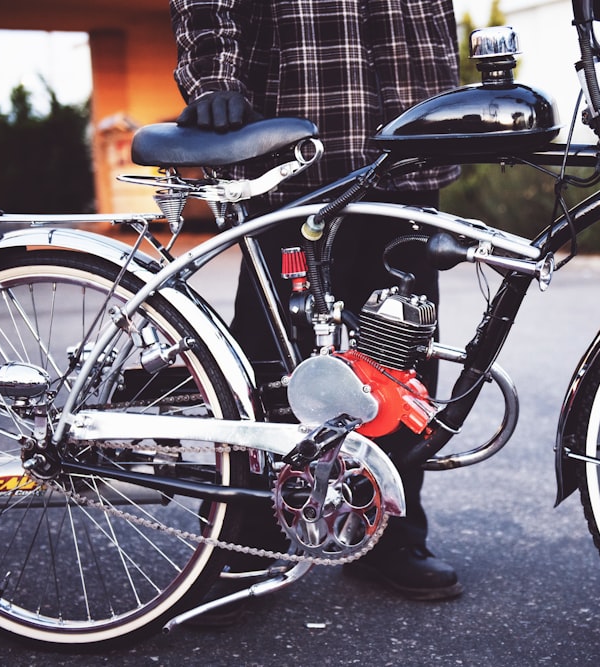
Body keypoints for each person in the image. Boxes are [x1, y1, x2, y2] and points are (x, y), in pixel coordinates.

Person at [170, 0, 463, 604]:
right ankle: (245, 536)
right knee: (269, 359)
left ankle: (386, 527)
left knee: (402, 354)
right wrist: (214, 80)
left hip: (408, 136)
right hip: (294, 140)